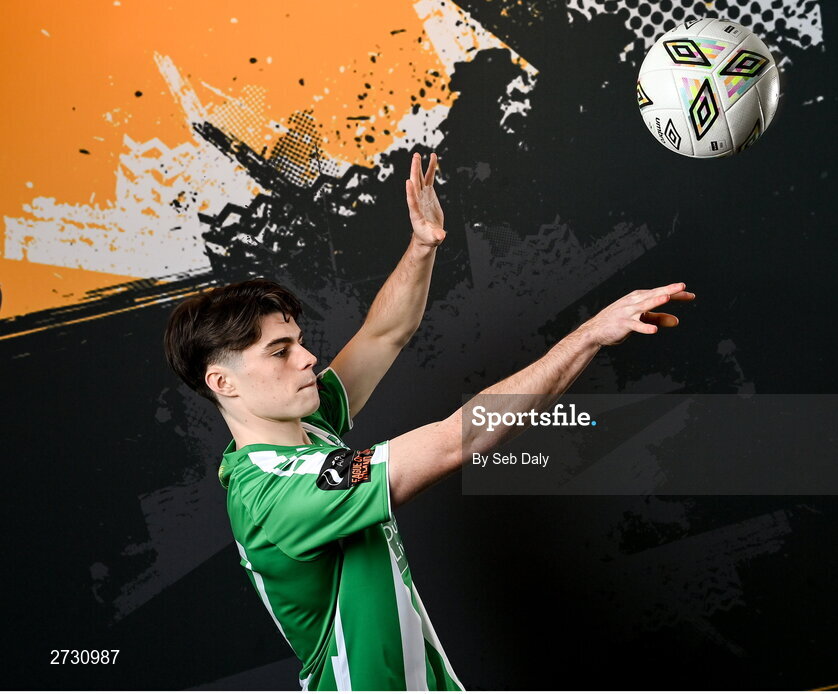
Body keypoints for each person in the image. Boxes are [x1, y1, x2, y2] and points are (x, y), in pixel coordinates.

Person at [163, 152, 695, 691]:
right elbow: (456, 440)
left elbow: (383, 334)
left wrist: (422, 246)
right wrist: (587, 335)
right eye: (280, 352)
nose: (307, 359)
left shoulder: (306, 424)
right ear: (223, 382)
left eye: (298, 342)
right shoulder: (277, 494)